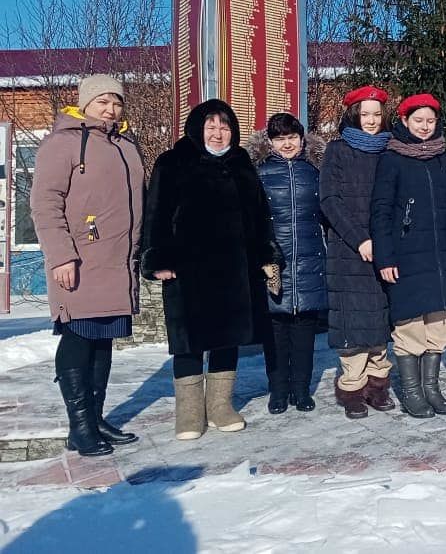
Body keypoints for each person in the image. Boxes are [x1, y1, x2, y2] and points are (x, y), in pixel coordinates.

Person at [141, 99, 282, 440]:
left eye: (225, 127)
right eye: (211, 126)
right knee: (188, 340)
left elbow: (259, 214)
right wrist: (158, 259)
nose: (219, 133)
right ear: (197, 128)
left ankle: (219, 405)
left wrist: (266, 253)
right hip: (187, 270)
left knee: (227, 337)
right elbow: (156, 213)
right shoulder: (173, 162)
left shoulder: (241, 163)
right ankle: (189, 412)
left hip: (235, 267)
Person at [30, 75, 145, 456]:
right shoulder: (62, 143)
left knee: (103, 340)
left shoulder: (126, 143)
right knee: (78, 337)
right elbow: (45, 204)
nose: (110, 109)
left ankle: (95, 419)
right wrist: (61, 254)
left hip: (117, 260)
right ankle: (79, 427)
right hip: (79, 260)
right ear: (85, 103)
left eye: (116, 102)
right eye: (103, 102)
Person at [370, 93, 446, 419]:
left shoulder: (445, 159)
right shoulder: (392, 158)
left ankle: (432, 389)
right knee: (410, 328)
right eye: (418, 120)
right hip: (406, 256)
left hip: (441, 256)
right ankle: (412, 392)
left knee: (439, 326)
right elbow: (380, 211)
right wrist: (385, 257)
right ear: (405, 121)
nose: (425, 127)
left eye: (430, 120)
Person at [321, 86, 395, 419]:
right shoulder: (337, 151)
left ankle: (378, 386)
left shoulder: (391, 149)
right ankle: (352, 387)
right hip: (348, 248)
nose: (371, 121)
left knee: (380, 318)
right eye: (365, 114)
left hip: (385, 244)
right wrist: (359, 239)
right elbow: (329, 201)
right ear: (353, 116)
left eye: (377, 114)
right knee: (353, 321)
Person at [247, 113, 327, 415]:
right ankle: (278, 391)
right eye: (280, 138)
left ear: (302, 139)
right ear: (270, 141)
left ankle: (301, 389)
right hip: (273, 261)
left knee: (305, 328)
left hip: (309, 257)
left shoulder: (314, 170)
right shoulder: (259, 172)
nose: (287, 143)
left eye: (292, 137)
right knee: (276, 329)